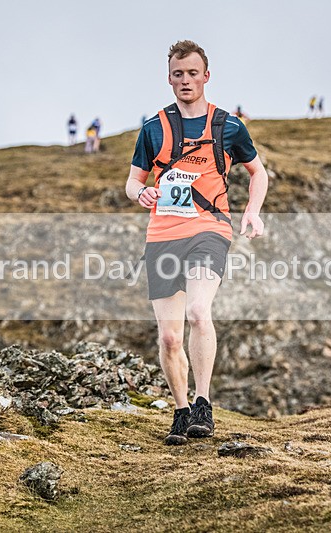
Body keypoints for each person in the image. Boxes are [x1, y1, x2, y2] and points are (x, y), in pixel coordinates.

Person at [125, 40, 268, 445]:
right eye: (177, 73)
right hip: (163, 235)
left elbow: (259, 173)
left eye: (192, 73)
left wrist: (251, 212)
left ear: (206, 76)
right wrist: (141, 194)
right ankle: (181, 409)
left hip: (210, 229)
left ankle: (204, 404)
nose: (185, 80)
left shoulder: (229, 125)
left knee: (199, 312)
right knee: (169, 336)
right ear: (168, 78)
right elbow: (132, 181)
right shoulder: (153, 128)